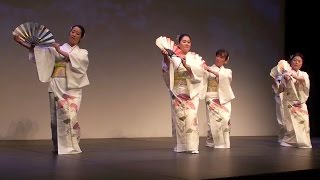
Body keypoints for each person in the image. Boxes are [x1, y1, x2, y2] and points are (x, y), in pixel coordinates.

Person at [13, 25, 89, 154]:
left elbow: (78, 62)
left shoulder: (82, 52)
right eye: (72, 31)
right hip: (56, 83)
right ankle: (58, 147)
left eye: (77, 33)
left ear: (81, 36)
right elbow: (38, 52)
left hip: (72, 87)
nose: (74, 34)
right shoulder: (58, 48)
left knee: (70, 116)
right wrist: (21, 42)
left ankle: (71, 146)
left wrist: (59, 50)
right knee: (55, 119)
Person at [158, 34, 204, 154]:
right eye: (184, 41)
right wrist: (166, 57)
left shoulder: (194, 58)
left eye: (189, 42)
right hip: (177, 90)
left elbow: (200, 73)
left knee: (191, 119)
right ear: (178, 44)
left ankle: (193, 146)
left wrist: (187, 66)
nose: (187, 44)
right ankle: (180, 146)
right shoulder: (174, 56)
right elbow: (166, 69)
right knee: (178, 119)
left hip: (191, 92)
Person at [201, 49, 235, 149]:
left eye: (222, 57)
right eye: (217, 56)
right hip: (211, 96)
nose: (218, 58)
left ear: (225, 60)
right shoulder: (208, 69)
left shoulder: (227, 71)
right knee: (213, 120)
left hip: (224, 97)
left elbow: (225, 78)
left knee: (225, 119)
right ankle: (211, 141)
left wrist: (209, 70)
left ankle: (221, 142)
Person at [277, 53, 312, 148]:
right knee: (291, 124)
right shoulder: (285, 73)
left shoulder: (303, 74)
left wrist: (294, 76)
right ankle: (289, 142)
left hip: (300, 102)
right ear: (290, 62)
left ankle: (303, 142)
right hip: (289, 102)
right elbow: (280, 88)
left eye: (299, 61)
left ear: (302, 63)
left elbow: (304, 81)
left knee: (304, 121)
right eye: (294, 60)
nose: (296, 62)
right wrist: (285, 79)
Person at [270, 63, 286, 144]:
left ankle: (289, 138)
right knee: (281, 120)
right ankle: (282, 137)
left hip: (289, 99)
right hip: (280, 98)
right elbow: (276, 89)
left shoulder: (289, 73)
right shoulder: (277, 76)